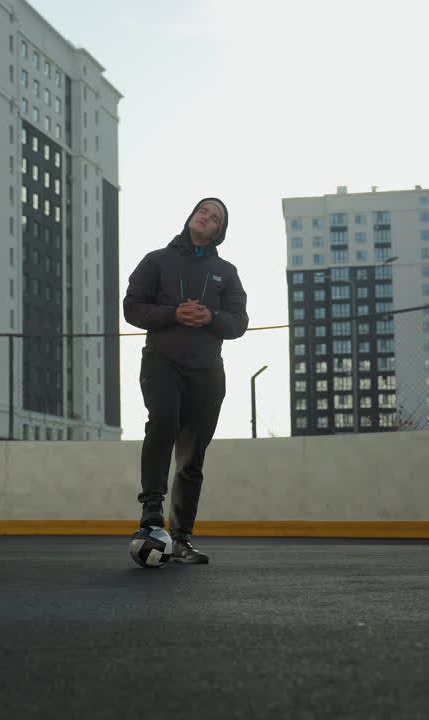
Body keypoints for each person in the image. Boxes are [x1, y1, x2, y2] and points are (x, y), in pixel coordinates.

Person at [122, 198, 248, 564]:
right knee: (161, 423)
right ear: (191, 216)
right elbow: (132, 307)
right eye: (203, 211)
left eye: (216, 218)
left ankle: (180, 539)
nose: (207, 217)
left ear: (219, 232)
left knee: (192, 456)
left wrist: (210, 316)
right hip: (162, 362)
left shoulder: (226, 270)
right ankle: (151, 515)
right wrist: (173, 313)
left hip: (207, 371)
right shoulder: (156, 260)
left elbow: (239, 322)